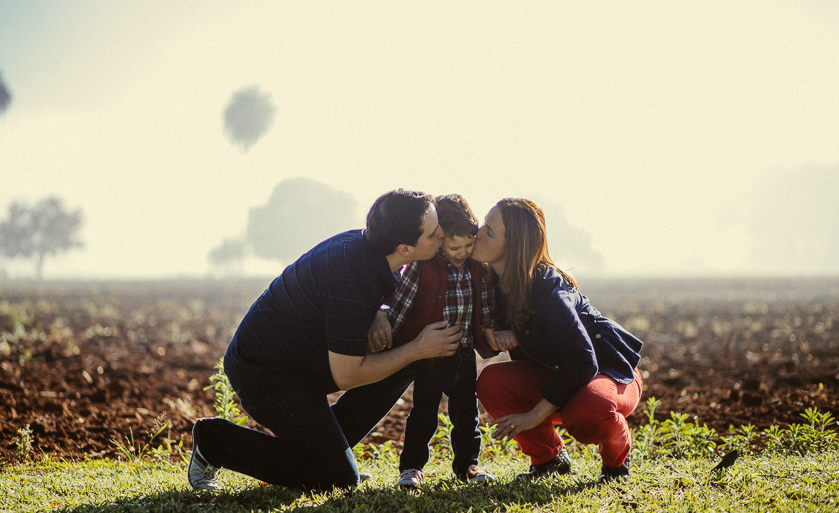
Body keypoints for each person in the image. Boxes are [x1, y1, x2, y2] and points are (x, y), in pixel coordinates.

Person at [188, 189, 463, 492]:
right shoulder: (352, 278)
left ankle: (323, 454)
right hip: (266, 376)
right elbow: (347, 374)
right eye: (434, 235)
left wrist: (379, 311)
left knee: (401, 362)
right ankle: (214, 441)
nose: (442, 236)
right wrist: (417, 349)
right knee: (337, 479)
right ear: (404, 248)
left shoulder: (367, 246)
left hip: (301, 366)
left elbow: (346, 300)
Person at [471, 198, 642, 482]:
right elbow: (483, 338)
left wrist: (535, 415)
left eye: (489, 231)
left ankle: (616, 464)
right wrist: (490, 333)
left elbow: (583, 361)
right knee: (491, 381)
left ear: (513, 248)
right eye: (483, 223)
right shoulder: (491, 282)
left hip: (608, 372)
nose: (478, 232)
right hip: (561, 374)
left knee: (588, 413)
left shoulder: (548, 289)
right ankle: (549, 459)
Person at [367, 194, 498, 488]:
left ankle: (468, 466)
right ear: (440, 241)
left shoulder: (478, 269)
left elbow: (486, 307)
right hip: (430, 355)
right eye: (454, 246)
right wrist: (388, 334)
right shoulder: (423, 266)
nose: (463, 252)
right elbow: (400, 303)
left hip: (463, 355)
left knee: (467, 415)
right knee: (424, 414)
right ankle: (411, 468)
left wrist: (490, 332)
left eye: (468, 245)